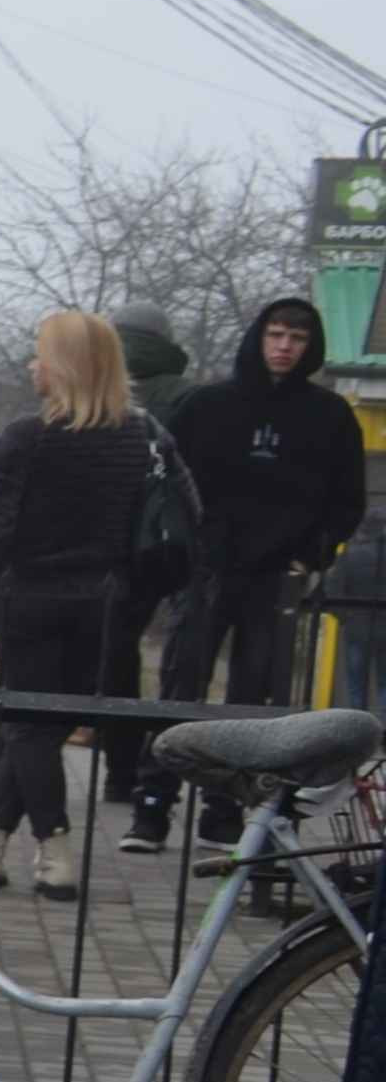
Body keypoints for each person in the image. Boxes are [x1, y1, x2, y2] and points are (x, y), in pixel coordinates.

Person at [131, 294, 364, 858]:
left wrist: (312, 555)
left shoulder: (329, 417)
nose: (284, 346)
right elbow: (164, 481)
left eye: (297, 338)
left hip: (275, 577)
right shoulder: (209, 405)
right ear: (259, 338)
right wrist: (181, 548)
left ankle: (225, 810)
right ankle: (152, 806)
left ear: (311, 347)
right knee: (180, 687)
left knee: (254, 698)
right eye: (276, 334)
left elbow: (345, 498)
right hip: (205, 569)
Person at [0, 310, 168, 901]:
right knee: (44, 729)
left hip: (27, 598)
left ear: (67, 366)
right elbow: (179, 518)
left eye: (41, 354)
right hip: (102, 603)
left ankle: (55, 850)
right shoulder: (143, 435)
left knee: (26, 726)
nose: (33, 365)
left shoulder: (28, 435)